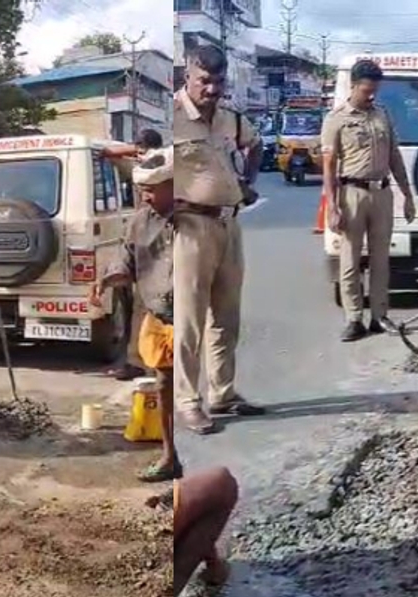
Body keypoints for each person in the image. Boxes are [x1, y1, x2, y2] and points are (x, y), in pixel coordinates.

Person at [172, 44, 267, 434]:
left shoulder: (231, 118)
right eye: (204, 81)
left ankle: (222, 393)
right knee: (189, 321)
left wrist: (247, 182)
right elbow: (144, 169)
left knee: (226, 317)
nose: (212, 90)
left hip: (229, 224)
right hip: (189, 227)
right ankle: (187, 401)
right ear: (188, 77)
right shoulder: (172, 118)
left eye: (218, 82)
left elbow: (255, 144)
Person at [91, 149, 181, 482]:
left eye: (153, 189)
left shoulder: (197, 218)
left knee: (193, 391)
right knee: (164, 384)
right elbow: (126, 260)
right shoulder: (141, 220)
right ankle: (170, 457)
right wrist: (107, 279)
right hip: (161, 315)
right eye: (143, 189)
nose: (145, 195)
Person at [321, 59, 417, 342]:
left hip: (382, 193)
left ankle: (379, 315)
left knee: (381, 259)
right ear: (353, 85)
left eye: (375, 90)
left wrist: (407, 195)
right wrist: (333, 207)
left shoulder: (382, 115)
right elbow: (328, 166)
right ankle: (354, 319)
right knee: (350, 260)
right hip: (352, 194)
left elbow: (394, 157)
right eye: (366, 90)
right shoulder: (336, 119)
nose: (371, 95)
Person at [106, 128, 165, 382]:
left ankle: (151, 363)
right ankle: (139, 361)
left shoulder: (158, 164)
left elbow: (111, 152)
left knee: (152, 306)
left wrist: (128, 151)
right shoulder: (152, 162)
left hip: (159, 230)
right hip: (144, 229)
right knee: (142, 307)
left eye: (139, 148)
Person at [147, 467, 239, 595]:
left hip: (216, 490)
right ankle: (214, 572)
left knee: (186, 558)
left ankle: (214, 572)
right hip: (213, 486)